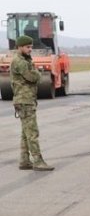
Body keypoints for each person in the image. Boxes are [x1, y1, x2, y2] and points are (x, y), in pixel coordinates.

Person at [11, 35, 54, 171]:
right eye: (28, 47)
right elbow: (32, 77)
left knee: (26, 132)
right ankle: (38, 160)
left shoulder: (24, 60)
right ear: (20, 47)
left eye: (31, 47)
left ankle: (24, 160)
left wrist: (35, 72)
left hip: (25, 100)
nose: (30, 49)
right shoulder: (20, 61)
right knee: (32, 132)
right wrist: (38, 73)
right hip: (25, 100)